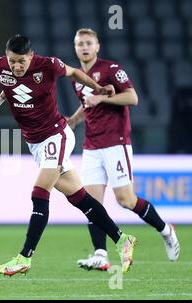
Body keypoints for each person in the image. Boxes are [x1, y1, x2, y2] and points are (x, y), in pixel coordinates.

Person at [0, 34, 137, 276]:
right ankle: (122, 239)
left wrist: (98, 89)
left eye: (21, 61)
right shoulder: (0, 66)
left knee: (39, 193)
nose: (16, 66)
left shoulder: (48, 65)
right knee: (80, 198)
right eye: (13, 61)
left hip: (56, 135)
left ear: (31, 56)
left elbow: (75, 73)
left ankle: (25, 257)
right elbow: (8, 87)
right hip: (34, 142)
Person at [67, 28, 180, 271]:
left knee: (125, 200)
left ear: (97, 46)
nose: (84, 47)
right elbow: (88, 104)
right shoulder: (77, 77)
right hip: (91, 145)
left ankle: (165, 229)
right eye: (79, 44)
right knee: (91, 203)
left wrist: (103, 99)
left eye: (89, 43)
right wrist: (76, 119)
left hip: (115, 142)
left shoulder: (111, 70)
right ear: (75, 48)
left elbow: (132, 97)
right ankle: (100, 254)